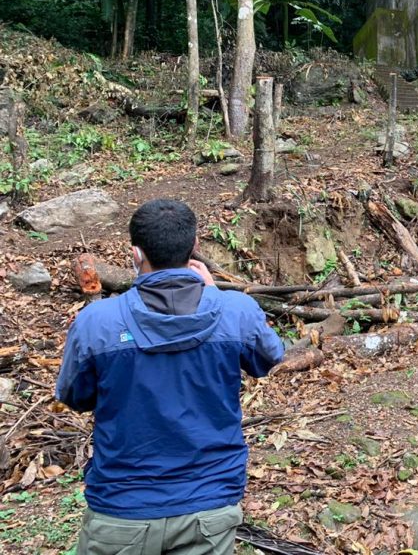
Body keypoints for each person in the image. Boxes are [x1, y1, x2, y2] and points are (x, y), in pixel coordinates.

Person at [56, 199, 286, 553]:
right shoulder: (236, 311)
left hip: (122, 506)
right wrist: (214, 294)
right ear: (195, 247)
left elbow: (75, 396)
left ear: (136, 254)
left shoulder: (96, 322)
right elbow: (269, 358)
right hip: (209, 503)